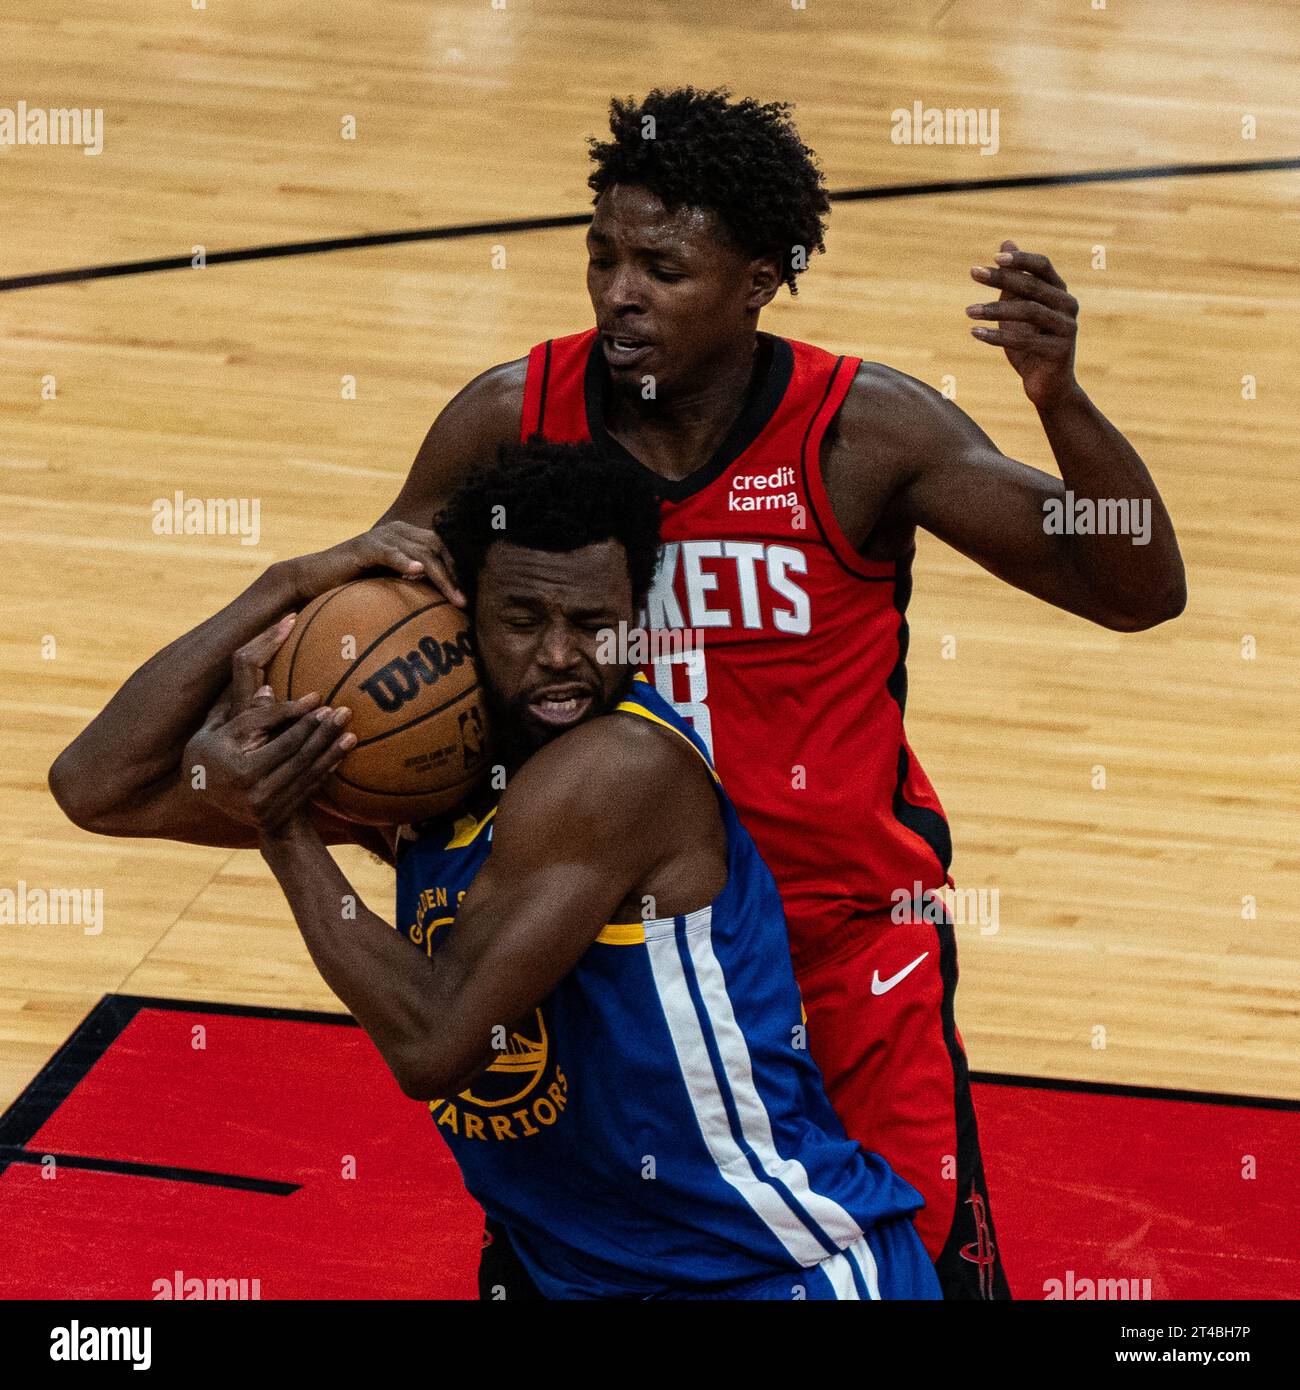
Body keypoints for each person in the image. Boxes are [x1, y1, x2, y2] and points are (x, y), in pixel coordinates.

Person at [374, 88, 1187, 1299]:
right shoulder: (511, 418)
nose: (618, 294)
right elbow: (374, 631)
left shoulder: (862, 430)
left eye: (662, 265)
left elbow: (1135, 586)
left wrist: (1059, 400)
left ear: (761, 276)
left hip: (840, 951)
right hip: (606, 953)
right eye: (602, 256)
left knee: (906, 1270)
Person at [50, 440, 941, 1301]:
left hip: (762, 1272)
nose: (561, 655)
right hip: (575, 1273)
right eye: (522, 621)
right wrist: (285, 584)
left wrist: (280, 821)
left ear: (638, 618)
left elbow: (435, 1044)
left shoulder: (622, 770)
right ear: (460, 613)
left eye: (596, 625)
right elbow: (96, 785)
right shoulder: (428, 769)